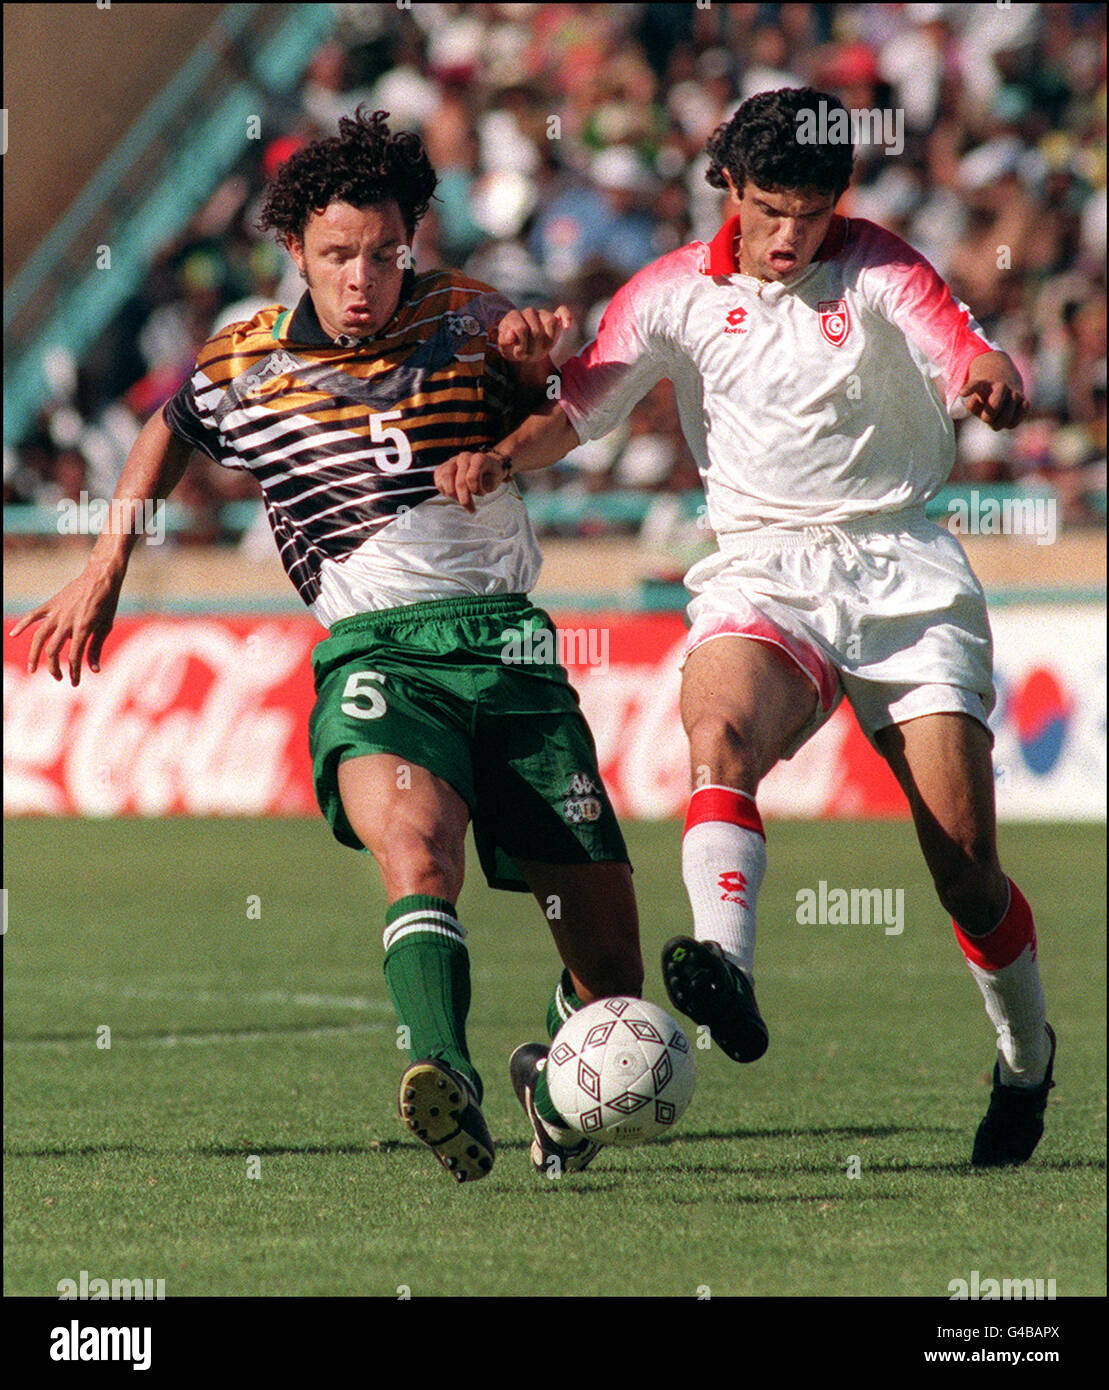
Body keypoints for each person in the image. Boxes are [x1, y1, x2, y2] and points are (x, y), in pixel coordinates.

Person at [14, 108, 643, 1184]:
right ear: (294, 253)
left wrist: (536, 377)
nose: (363, 278)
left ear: (415, 245)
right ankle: (443, 1072)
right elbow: (168, 431)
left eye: (385, 254)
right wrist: (106, 565)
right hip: (377, 658)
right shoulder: (246, 364)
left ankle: (552, 1085)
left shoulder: (469, 318)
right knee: (418, 853)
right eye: (338, 255)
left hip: (509, 653)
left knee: (613, 975)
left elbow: (560, 416)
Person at [435, 87, 1055, 1169]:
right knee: (717, 729)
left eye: (809, 213)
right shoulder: (670, 292)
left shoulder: (878, 267)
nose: (787, 235)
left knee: (962, 865)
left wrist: (990, 381)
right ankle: (722, 970)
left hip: (899, 569)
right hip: (763, 568)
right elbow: (578, 411)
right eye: (770, 208)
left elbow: (961, 353)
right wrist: (499, 456)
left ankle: (1022, 1057)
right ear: (727, 185)